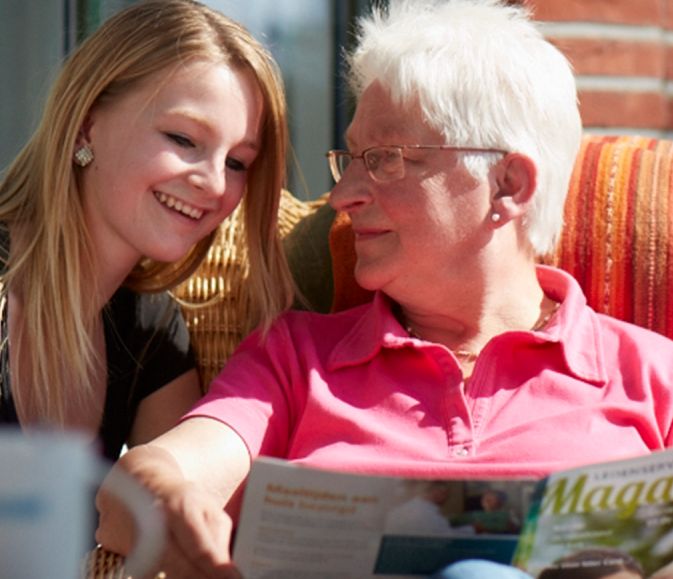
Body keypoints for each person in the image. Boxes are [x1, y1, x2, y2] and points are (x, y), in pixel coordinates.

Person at [95, 0, 673, 577]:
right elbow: (146, 486)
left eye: (385, 159)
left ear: (508, 184)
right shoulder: (297, 358)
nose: (343, 194)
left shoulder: (651, 377)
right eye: (349, 159)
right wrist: (171, 499)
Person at [0, 0, 294, 460]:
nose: (215, 184)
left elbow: (167, 515)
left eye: (237, 162)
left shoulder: (153, 328)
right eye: (183, 139)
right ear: (86, 125)